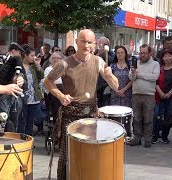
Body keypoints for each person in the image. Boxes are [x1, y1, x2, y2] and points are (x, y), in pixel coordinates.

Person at [44, 29, 118, 180]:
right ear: (77, 42)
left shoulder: (99, 61)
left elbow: (115, 86)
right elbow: (48, 81)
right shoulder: (64, 63)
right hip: (70, 115)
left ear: (94, 44)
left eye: (89, 42)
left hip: (91, 115)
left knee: (89, 153)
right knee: (67, 155)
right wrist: (60, 95)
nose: (86, 45)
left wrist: (110, 76)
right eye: (83, 41)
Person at [128, 44, 160, 148]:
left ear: (149, 53)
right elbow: (131, 78)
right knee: (137, 118)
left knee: (148, 119)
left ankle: (147, 139)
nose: (142, 55)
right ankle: (137, 138)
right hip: (136, 94)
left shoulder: (155, 64)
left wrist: (139, 75)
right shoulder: (136, 63)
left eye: (144, 53)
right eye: (140, 53)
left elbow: (154, 77)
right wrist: (133, 73)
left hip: (149, 96)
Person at [152, 50, 172, 144]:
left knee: (168, 116)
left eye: (169, 56)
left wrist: (169, 93)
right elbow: (155, 81)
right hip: (159, 96)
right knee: (156, 116)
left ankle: (164, 136)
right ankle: (154, 135)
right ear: (162, 58)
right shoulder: (159, 69)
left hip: (171, 97)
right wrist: (160, 92)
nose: (167, 57)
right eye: (165, 56)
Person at [18, 47, 44, 136]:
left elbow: (41, 76)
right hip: (23, 97)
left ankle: (29, 140)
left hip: (34, 98)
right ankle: (21, 140)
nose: (34, 57)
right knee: (22, 120)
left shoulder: (33, 66)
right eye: (31, 55)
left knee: (30, 121)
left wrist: (38, 65)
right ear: (25, 55)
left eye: (34, 55)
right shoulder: (19, 66)